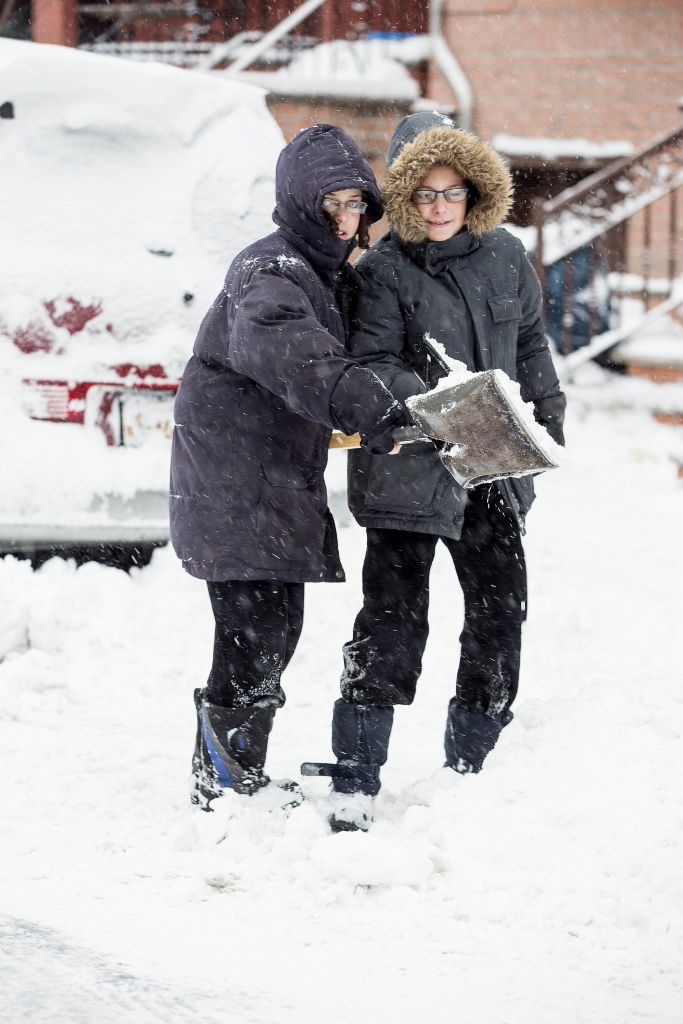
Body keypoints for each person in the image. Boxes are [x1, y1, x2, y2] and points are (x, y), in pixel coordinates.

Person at [314, 111, 567, 831]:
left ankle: (473, 772)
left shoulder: (506, 256)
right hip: (407, 472)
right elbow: (372, 364)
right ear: (399, 195)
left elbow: (530, 345)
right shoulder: (381, 273)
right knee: (392, 624)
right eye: (421, 192)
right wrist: (438, 401)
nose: (437, 206)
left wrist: (544, 423)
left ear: (473, 192)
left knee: (498, 617)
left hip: (492, 472)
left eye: (451, 191)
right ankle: (356, 779)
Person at [169, 124, 408, 811]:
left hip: (264, 483)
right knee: (254, 634)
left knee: (269, 630)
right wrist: (369, 405)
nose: (343, 218)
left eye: (355, 205)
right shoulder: (269, 271)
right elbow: (296, 355)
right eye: (329, 205)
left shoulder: (323, 274)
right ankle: (222, 778)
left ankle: (230, 772)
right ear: (298, 204)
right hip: (233, 482)